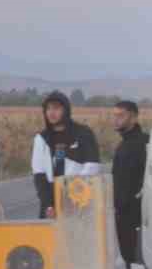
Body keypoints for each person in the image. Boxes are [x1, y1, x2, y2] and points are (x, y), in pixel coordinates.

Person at [31, 90, 100, 218]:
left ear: (66, 110)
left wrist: (73, 193)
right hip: (51, 202)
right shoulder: (41, 138)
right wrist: (48, 205)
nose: (51, 113)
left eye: (56, 108)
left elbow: (92, 166)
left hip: (79, 199)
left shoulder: (83, 133)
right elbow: (39, 174)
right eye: (48, 109)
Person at [110, 100, 149, 269]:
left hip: (136, 213)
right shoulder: (124, 144)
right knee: (128, 258)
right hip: (122, 212)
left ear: (134, 117)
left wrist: (137, 200)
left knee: (136, 258)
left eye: (121, 115)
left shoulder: (143, 143)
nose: (116, 119)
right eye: (114, 115)